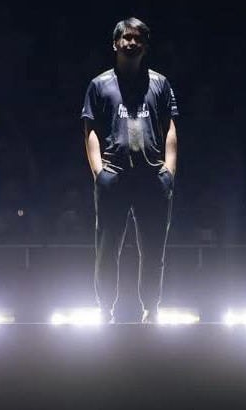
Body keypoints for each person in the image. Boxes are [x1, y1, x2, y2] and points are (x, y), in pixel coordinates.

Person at [82, 18, 178, 323]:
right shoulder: (100, 85)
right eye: (126, 37)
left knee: (153, 249)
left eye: (138, 38)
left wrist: (169, 170)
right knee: (107, 249)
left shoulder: (160, 83)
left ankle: (151, 309)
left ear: (145, 46)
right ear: (115, 43)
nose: (131, 42)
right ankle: (104, 309)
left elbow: (170, 127)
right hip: (114, 176)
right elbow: (91, 129)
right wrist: (99, 172)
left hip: (153, 178)